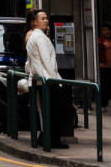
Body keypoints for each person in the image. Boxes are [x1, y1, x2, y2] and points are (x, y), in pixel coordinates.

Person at [25, 8, 71, 150]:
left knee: (51, 110)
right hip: (47, 79)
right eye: (42, 18)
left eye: (46, 18)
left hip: (42, 78)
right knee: (60, 109)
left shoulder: (36, 36)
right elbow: (46, 61)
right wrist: (54, 80)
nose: (46, 20)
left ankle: (47, 138)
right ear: (34, 22)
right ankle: (52, 139)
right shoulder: (38, 37)